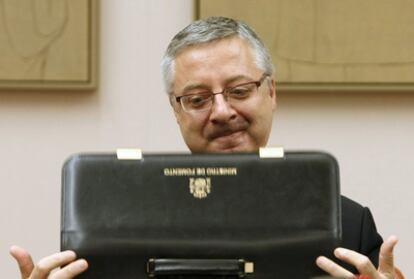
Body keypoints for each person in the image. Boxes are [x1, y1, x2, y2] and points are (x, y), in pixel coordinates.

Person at [10, 16, 402, 279]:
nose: (221, 111)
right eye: (197, 99)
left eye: (239, 91)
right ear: (176, 111)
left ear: (271, 92)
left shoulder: (348, 225)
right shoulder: (110, 225)